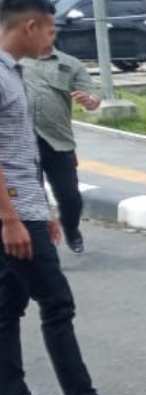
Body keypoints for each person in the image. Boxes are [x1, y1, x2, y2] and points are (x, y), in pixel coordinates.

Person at [0, 0, 146, 395]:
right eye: (49, 28)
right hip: (12, 216)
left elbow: (21, 153)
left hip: (24, 209)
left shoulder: (13, 72)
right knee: (57, 303)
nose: (51, 38)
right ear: (29, 27)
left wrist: (42, 210)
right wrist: (11, 219)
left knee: (7, 306)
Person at [21, 45, 100, 254]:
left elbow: (93, 98)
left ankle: (71, 229)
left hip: (58, 141)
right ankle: (44, 246)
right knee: (34, 197)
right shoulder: (13, 59)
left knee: (70, 196)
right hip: (23, 141)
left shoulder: (70, 63)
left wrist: (89, 101)